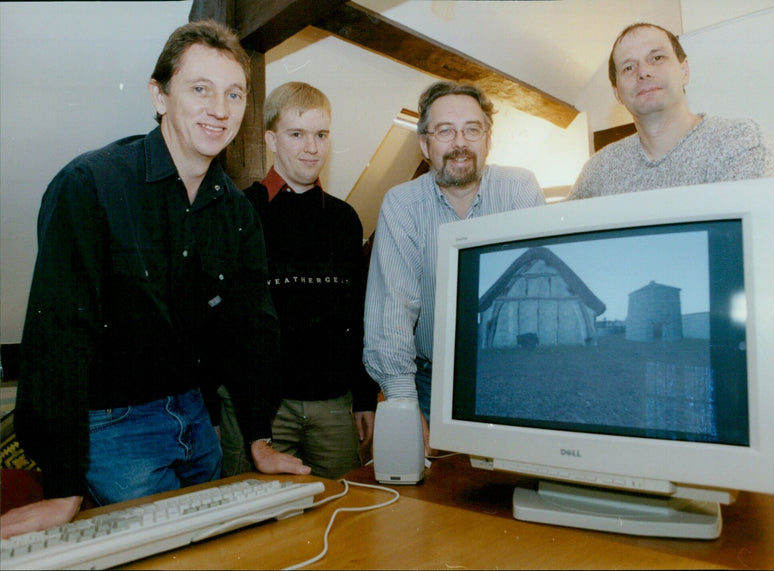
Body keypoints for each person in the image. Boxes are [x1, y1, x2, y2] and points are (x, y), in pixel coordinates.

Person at [1, 20, 309, 541]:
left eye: (234, 94)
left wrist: (258, 437)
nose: (220, 108)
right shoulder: (91, 186)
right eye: (200, 89)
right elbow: (57, 338)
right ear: (159, 95)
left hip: (195, 417)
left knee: (218, 547)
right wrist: (63, 484)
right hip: (110, 426)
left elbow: (253, 330)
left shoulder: (236, 213)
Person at [363, 80, 546, 453]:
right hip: (431, 386)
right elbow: (392, 310)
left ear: (488, 139)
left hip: (513, 376)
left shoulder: (519, 190)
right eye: (445, 131)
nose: (459, 143)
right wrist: (403, 404)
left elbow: (535, 293)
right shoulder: (401, 204)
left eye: (472, 129)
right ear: (425, 144)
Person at [218, 82, 378, 479]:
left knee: (345, 516)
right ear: (271, 138)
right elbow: (224, 323)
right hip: (261, 413)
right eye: (297, 134)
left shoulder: (345, 220)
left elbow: (357, 314)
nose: (312, 148)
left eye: (321, 135)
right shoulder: (240, 211)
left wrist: (364, 398)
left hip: (332, 408)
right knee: (256, 526)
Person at [568, 23, 774, 199]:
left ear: (684, 71)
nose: (643, 72)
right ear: (617, 93)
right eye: (628, 68)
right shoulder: (599, 171)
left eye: (657, 58)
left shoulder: (738, 141)